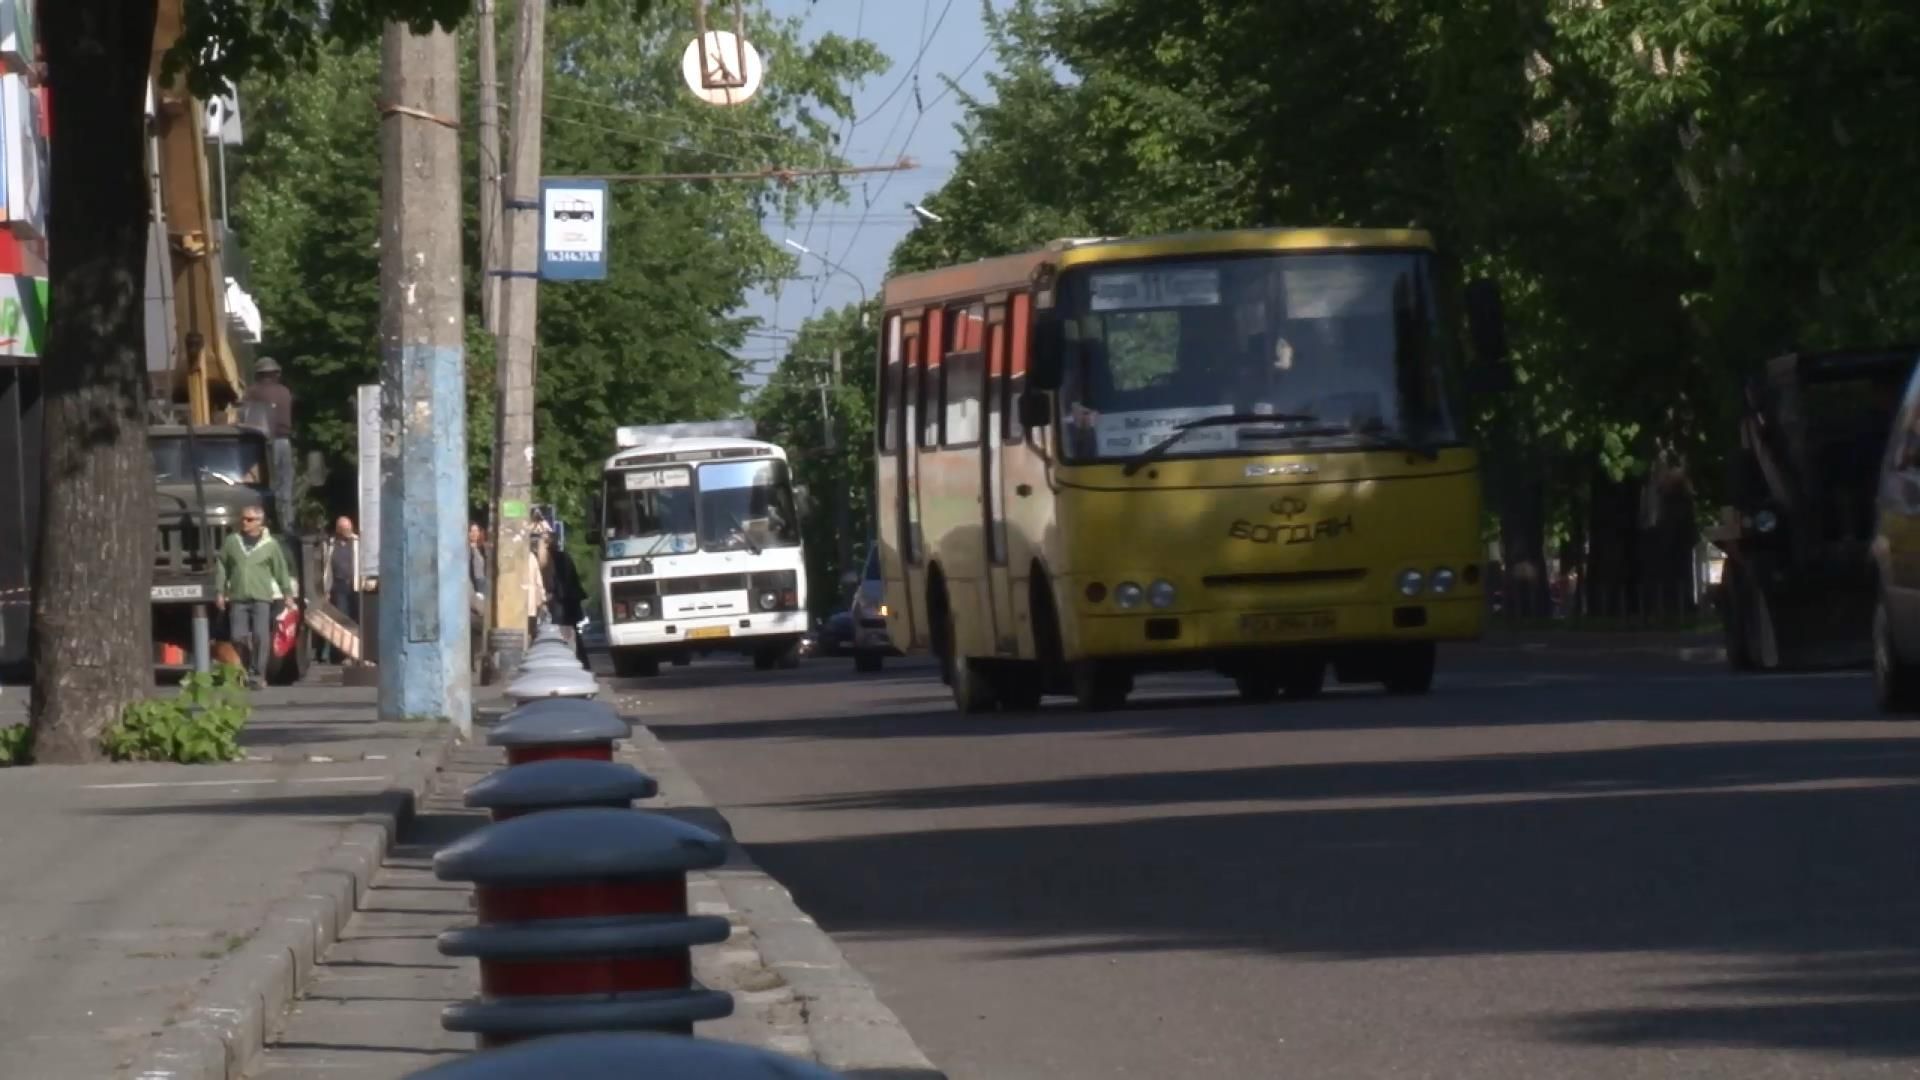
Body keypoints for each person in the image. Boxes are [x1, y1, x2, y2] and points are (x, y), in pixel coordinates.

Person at [215, 504, 297, 689]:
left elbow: (280, 570)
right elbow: (222, 566)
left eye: (249, 519)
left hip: (261, 598)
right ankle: (244, 670)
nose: (244, 522)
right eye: (243, 518)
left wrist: (287, 594)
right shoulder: (232, 541)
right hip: (238, 597)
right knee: (237, 636)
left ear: (260, 522)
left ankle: (258, 674)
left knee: (261, 636)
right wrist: (220, 591)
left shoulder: (270, 545)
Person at [322, 516, 360, 662]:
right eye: (344, 529)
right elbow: (327, 569)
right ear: (338, 530)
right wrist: (327, 589)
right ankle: (345, 654)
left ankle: (357, 652)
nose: (347, 531)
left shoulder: (357, 542)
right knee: (342, 619)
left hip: (355, 585)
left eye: (349, 528)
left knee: (356, 618)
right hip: (338, 586)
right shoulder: (331, 544)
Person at [242, 357, 295, 439]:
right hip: (284, 439)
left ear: (258, 374)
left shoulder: (253, 391)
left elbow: (243, 413)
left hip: (262, 439)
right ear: (277, 374)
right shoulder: (285, 391)